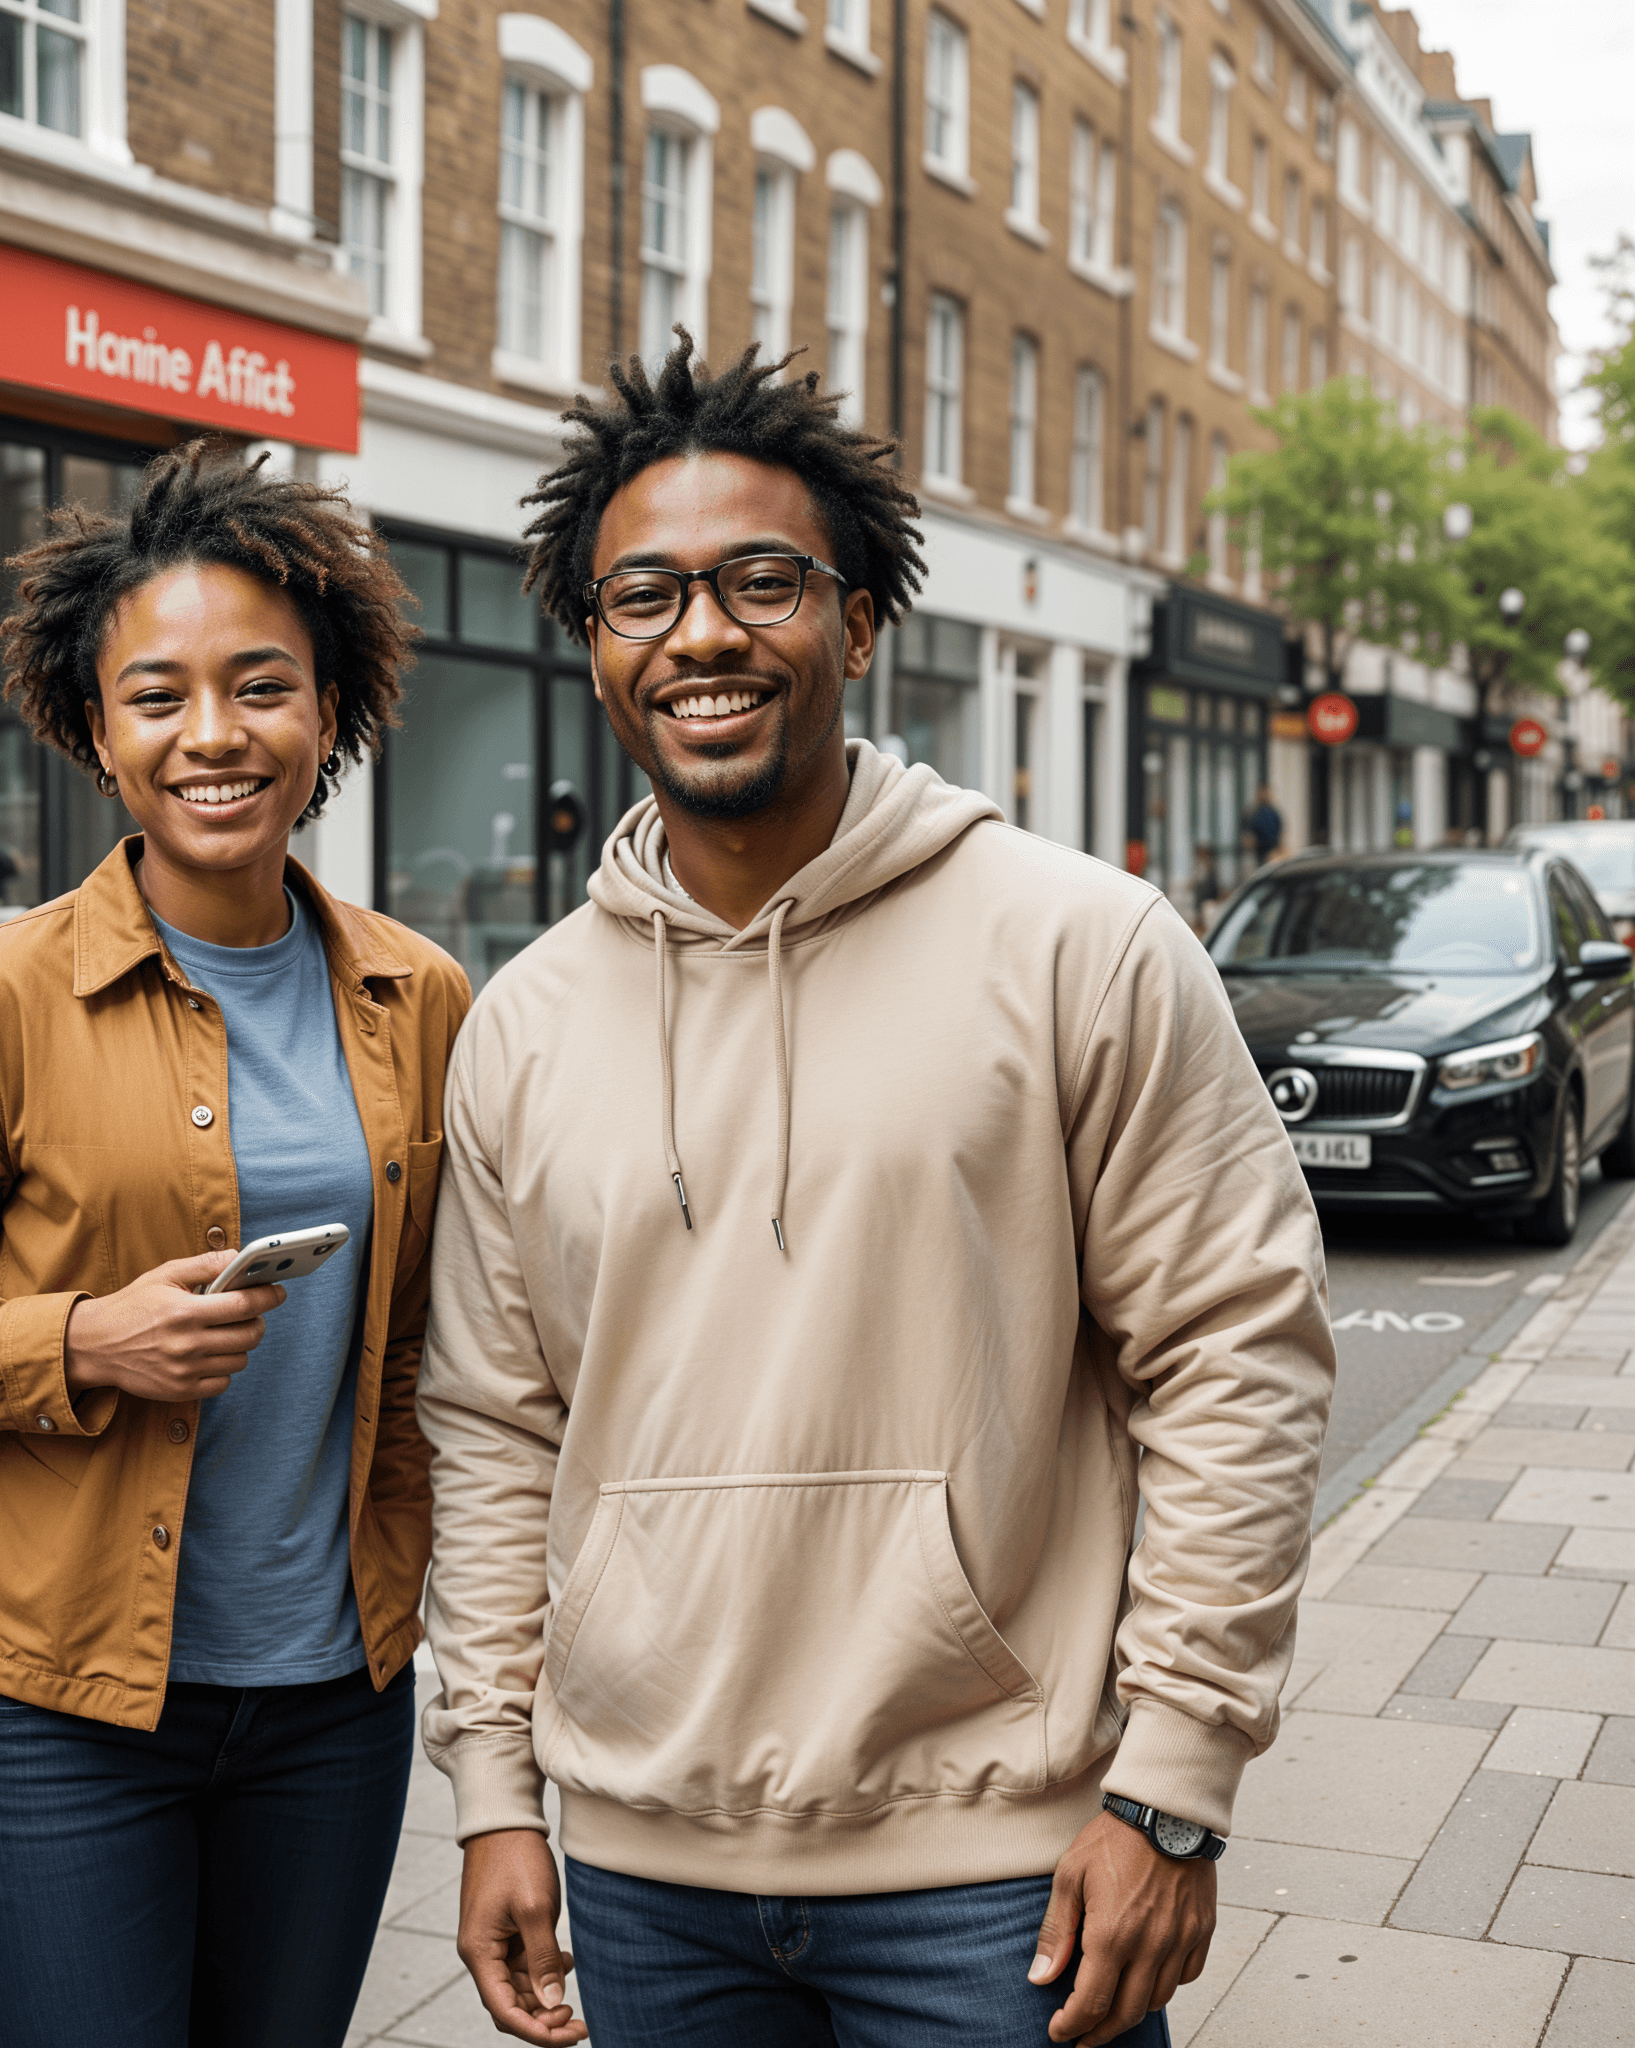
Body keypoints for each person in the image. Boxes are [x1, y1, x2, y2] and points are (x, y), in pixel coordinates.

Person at [416, 336, 1334, 2048]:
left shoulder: (1077, 946)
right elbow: (491, 1420)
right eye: (643, 594)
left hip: (1002, 1858)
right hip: (640, 1852)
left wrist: (1174, 1780)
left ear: (852, 621)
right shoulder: (524, 1022)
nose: (702, 632)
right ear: (596, 645)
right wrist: (487, 1781)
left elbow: (1233, 1355)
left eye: (760, 579)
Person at [0, 442, 470, 2048]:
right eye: (158, 696)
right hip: (59, 1710)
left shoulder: (420, 998)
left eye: (262, 687)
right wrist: (78, 1343)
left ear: (333, 711)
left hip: (332, 1704)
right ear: (97, 732)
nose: (215, 736)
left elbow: (443, 1348)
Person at [1244, 785, 1283, 866]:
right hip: (1259, 848)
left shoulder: (1273, 813)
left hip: (1271, 848)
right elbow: (1247, 829)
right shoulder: (1253, 812)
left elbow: (1279, 829)